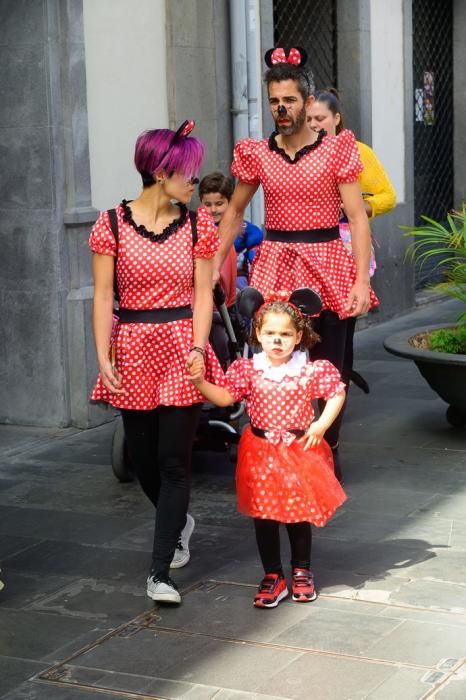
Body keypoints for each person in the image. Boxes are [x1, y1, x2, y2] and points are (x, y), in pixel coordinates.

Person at [213, 47, 379, 482]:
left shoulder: (336, 150)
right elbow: (233, 213)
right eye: (274, 101)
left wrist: (361, 279)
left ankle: (327, 452)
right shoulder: (257, 153)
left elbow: (358, 217)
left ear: (308, 102)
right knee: (276, 365)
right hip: (276, 265)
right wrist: (212, 264)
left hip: (328, 262)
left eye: (288, 100)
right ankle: (281, 452)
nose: (281, 109)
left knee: (330, 367)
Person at [89, 120, 223, 605]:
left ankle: (159, 572)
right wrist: (103, 352)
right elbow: (104, 296)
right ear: (162, 171)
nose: (194, 181)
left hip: (181, 344)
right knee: (142, 459)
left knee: (174, 463)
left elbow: (203, 293)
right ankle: (180, 522)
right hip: (133, 346)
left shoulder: (197, 225)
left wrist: (198, 345)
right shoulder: (111, 224)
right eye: (187, 173)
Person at [188, 292, 346, 608]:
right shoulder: (249, 369)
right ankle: (273, 575)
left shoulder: (309, 369)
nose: (277, 340)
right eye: (271, 333)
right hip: (260, 452)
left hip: (299, 451)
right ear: (258, 334)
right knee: (264, 515)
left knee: (298, 514)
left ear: (298, 336)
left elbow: (336, 392)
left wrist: (322, 424)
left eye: (285, 334)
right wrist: (200, 382)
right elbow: (224, 399)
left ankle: (302, 570)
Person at [308, 88, 396, 393]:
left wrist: (359, 207)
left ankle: (338, 384)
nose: (315, 125)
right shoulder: (298, 153)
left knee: (341, 326)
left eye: (320, 118)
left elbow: (388, 196)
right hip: (310, 250)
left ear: (336, 118)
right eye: (309, 120)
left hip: (347, 244)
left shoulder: (358, 152)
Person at [199, 171, 263, 289]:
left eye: (219, 204)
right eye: (207, 204)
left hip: (237, 281)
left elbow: (257, 260)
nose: (213, 209)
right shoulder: (197, 229)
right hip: (205, 280)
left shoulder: (244, 230)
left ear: (231, 202)